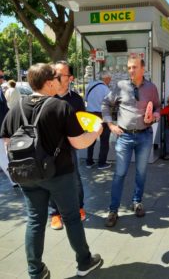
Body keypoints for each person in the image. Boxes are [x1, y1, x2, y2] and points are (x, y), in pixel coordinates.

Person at [0, 63, 103, 278]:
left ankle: (35, 271)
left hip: (28, 175)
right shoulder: (59, 107)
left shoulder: (16, 108)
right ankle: (84, 262)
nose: (59, 81)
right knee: (72, 218)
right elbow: (79, 143)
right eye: (56, 78)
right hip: (59, 174)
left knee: (35, 220)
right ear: (48, 83)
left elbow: (8, 143)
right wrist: (96, 132)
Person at [102, 56, 160, 227]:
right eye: (129, 67)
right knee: (119, 173)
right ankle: (113, 210)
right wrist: (110, 125)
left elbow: (157, 107)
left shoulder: (151, 88)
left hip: (144, 135)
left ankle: (137, 202)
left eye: (134, 67)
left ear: (143, 68)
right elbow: (105, 104)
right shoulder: (120, 86)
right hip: (124, 136)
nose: (131, 71)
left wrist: (154, 116)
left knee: (141, 173)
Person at [48, 60, 87, 230]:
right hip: (49, 148)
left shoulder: (76, 99)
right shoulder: (47, 96)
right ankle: (55, 213)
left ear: (70, 78)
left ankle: (79, 207)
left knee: (75, 178)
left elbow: (82, 123)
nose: (55, 76)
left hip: (70, 147)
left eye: (60, 74)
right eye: (54, 73)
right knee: (50, 178)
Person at [85, 71, 112, 169]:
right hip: (101, 115)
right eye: (110, 79)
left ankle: (89, 161)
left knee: (91, 139)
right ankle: (102, 163)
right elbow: (111, 103)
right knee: (104, 140)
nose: (110, 81)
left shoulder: (90, 85)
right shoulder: (105, 89)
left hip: (90, 115)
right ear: (106, 79)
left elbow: (86, 99)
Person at [0, 71, 15, 187]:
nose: (2, 79)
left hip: (4, 127)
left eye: (3, 77)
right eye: (1, 77)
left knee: (6, 154)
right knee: (3, 156)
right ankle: (14, 179)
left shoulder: (1, 90)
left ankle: (15, 179)